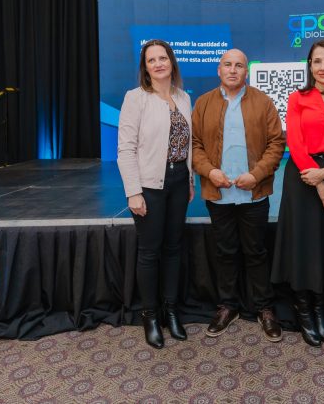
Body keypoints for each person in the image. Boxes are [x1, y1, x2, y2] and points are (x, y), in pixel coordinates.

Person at [191, 48, 286, 342]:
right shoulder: (203, 103)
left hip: (253, 194)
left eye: (239, 65)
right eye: (227, 65)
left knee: (256, 252)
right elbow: (194, 145)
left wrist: (256, 175)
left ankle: (264, 307)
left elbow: (276, 144)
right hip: (218, 194)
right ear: (219, 70)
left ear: (247, 71)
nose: (233, 70)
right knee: (225, 252)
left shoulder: (263, 102)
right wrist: (210, 172)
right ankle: (228, 306)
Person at [271, 40, 324, 347]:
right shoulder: (298, 98)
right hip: (303, 178)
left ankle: (320, 310)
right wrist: (318, 181)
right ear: (309, 66)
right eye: (316, 61)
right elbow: (295, 142)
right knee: (303, 244)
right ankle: (304, 311)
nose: (322, 67)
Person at [117, 39, 193, 349]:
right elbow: (126, 148)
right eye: (152, 60)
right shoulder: (135, 98)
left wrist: (190, 180)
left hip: (179, 182)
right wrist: (133, 192)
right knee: (149, 252)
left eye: (163, 58)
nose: (159, 64)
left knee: (173, 248)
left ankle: (171, 311)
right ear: (145, 68)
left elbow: (186, 145)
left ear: (172, 62)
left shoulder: (184, 97)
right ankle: (150, 316)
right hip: (149, 185)